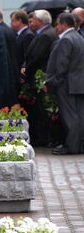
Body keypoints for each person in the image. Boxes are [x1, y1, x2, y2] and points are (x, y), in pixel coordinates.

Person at [45, 12, 84, 155]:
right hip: (77, 83)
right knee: (79, 116)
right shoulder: (79, 37)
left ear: (63, 24)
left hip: (67, 84)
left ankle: (72, 146)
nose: (56, 27)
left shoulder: (66, 39)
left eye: (58, 24)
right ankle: (78, 145)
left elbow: (61, 66)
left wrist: (52, 82)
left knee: (70, 117)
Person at [23, 10, 57, 147]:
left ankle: (47, 139)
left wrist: (27, 69)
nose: (31, 21)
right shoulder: (43, 33)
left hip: (41, 77)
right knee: (41, 111)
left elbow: (36, 57)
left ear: (41, 21)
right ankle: (45, 138)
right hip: (38, 76)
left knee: (45, 111)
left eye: (34, 19)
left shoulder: (46, 35)